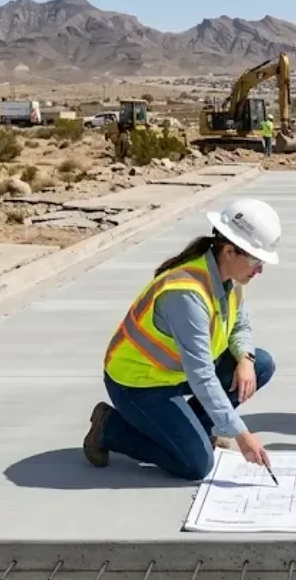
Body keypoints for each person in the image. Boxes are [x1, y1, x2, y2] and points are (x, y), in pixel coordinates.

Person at [82, 197, 281, 481]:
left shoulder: (229, 279)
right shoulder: (187, 294)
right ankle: (109, 428)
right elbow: (201, 376)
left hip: (175, 375)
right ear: (229, 251)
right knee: (197, 464)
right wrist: (241, 435)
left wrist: (245, 358)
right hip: (139, 384)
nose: (259, 269)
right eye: (255, 260)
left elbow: (240, 324)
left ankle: (190, 433)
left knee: (261, 363)